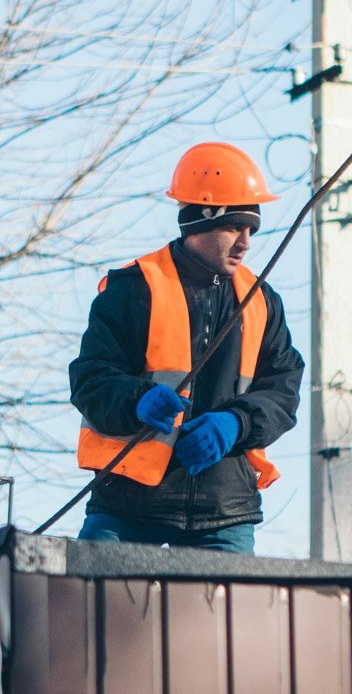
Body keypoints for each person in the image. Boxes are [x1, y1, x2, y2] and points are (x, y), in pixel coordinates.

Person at [69, 142, 304, 555]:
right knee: (90, 611)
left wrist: (236, 423)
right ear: (200, 222)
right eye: (236, 227)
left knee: (226, 621)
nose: (245, 243)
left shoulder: (262, 301)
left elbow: (283, 390)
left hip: (224, 512)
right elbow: (91, 380)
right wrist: (138, 401)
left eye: (252, 229)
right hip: (128, 505)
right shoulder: (133, 289)